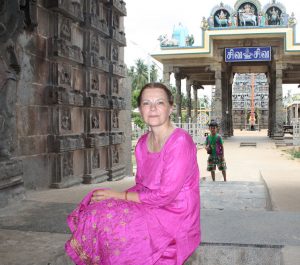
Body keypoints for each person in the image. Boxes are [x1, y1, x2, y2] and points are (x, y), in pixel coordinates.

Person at [65, 82, 201, 265]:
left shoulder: (180, 141)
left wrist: (120, 195)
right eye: (146, 103)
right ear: (140, 109)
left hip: (175, 212)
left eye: (159, 102)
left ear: (170, 108)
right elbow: (142, 184)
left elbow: (165, 195)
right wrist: (115, 199)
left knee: (115, 225)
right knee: (96, 206)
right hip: (151, 202)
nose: (152, 108)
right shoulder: (143, 143)